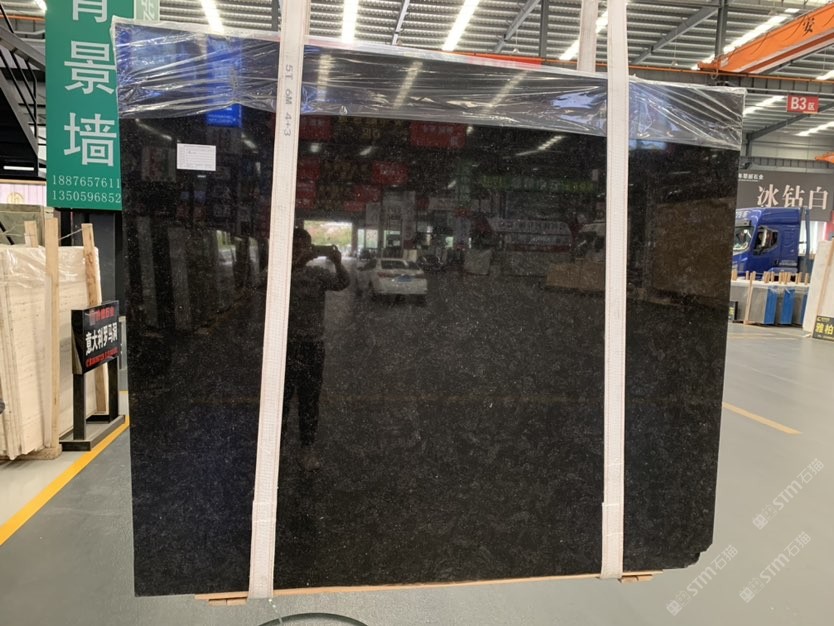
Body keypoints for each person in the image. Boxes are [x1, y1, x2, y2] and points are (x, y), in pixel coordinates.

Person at [283, 228, 350, 471]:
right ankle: (275, 449)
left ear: (310, 249)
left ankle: (307, 448)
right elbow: (258, 285)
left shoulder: (317, 274)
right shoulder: (279, 271)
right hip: (284, 347)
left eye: (303, 247)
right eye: (294, 246)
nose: (298, 251)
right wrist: (292, 265)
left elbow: (343, 283)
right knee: (280, 401)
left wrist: (338, 263)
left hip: (312, 346)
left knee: (309, 401)